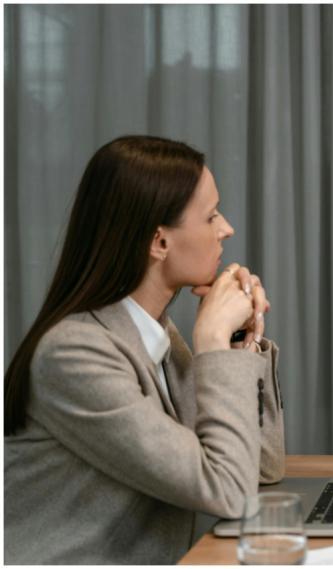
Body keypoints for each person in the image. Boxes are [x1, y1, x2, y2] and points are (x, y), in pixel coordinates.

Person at [4, 135, 286, 564]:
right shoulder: (75, 355)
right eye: (211, 216)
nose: (226, 228)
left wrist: (237, 344)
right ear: (159, 242)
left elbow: (261, 467)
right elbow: (228, 492)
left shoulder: (156, 336)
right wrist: (212, 347)